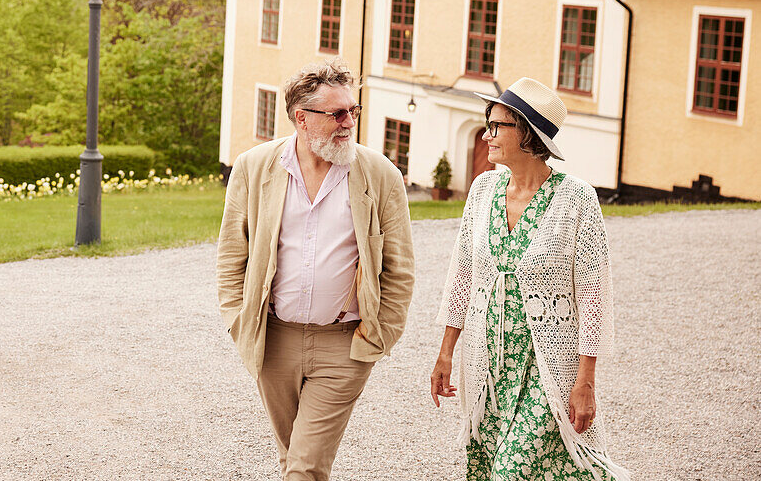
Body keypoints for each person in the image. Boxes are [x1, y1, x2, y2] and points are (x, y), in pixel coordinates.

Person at [216, 59, 415, 481]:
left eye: (353, 111)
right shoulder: (253, 167)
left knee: (303, 467)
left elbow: (399, 268)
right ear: (301, 118)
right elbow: (232, 256)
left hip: (345, 345)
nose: (348, 122)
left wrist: (381, 333)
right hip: (274, 341)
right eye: (337, 113)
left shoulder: (380, 175)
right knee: (296, 461)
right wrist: (239, 322)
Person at [430, 77, 630, 480]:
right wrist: (446, 352)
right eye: (487, 124)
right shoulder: (483, 189)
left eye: (497, 126)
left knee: (512, 470)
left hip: (546, 368)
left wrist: (586, 381)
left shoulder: (577, 199)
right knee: (493, 467)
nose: (487, 135)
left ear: (528, 134)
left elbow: (593, 297)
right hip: (489, 363)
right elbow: (463, 275)